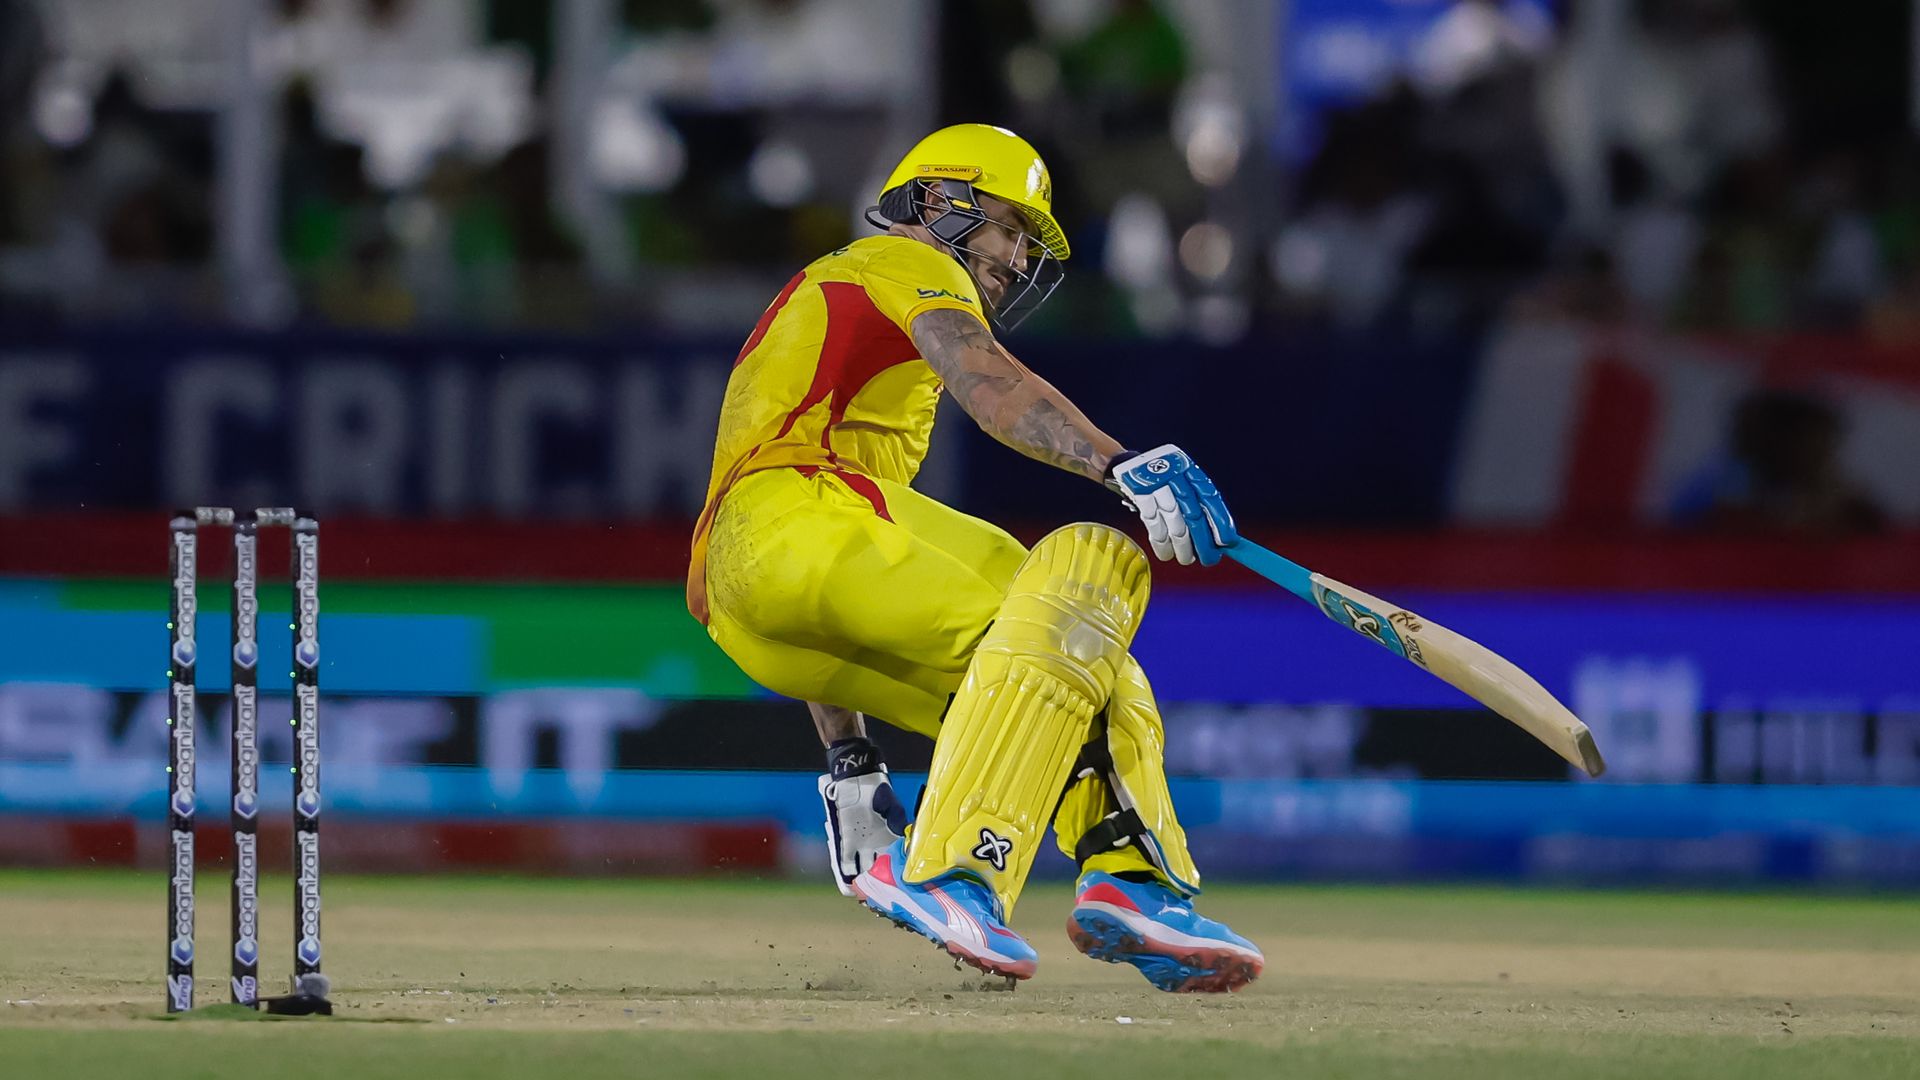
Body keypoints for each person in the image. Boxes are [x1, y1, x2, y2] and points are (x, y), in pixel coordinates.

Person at [687, 124, 1261, 992]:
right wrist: (1119, 463)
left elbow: (819, 582)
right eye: (1009, 226)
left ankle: (1131, 882)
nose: (1019, 257)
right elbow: (986, 377)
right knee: (1069, 596)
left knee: (1086, 668)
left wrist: (849, 765)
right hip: (785, 521)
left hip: (752, 605)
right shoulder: (898, 263)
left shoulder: (857, 383)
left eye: (1029, 241)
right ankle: (951, 874)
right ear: (934, 204)